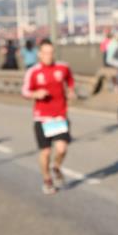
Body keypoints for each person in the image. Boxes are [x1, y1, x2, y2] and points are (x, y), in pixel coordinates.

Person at [21, 39, 75, 195]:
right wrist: (35, 94)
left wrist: (71, 91)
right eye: (45, 53)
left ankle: (56, 167)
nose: (48, 56)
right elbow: (24, 91)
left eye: (51, 52)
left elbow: (70, 81)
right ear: (39, 54)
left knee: (62, 148)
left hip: (59, 116)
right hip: (42, 118)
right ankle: (47, 180)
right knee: (45, 152)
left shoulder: (63, 67)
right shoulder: (33, 71)